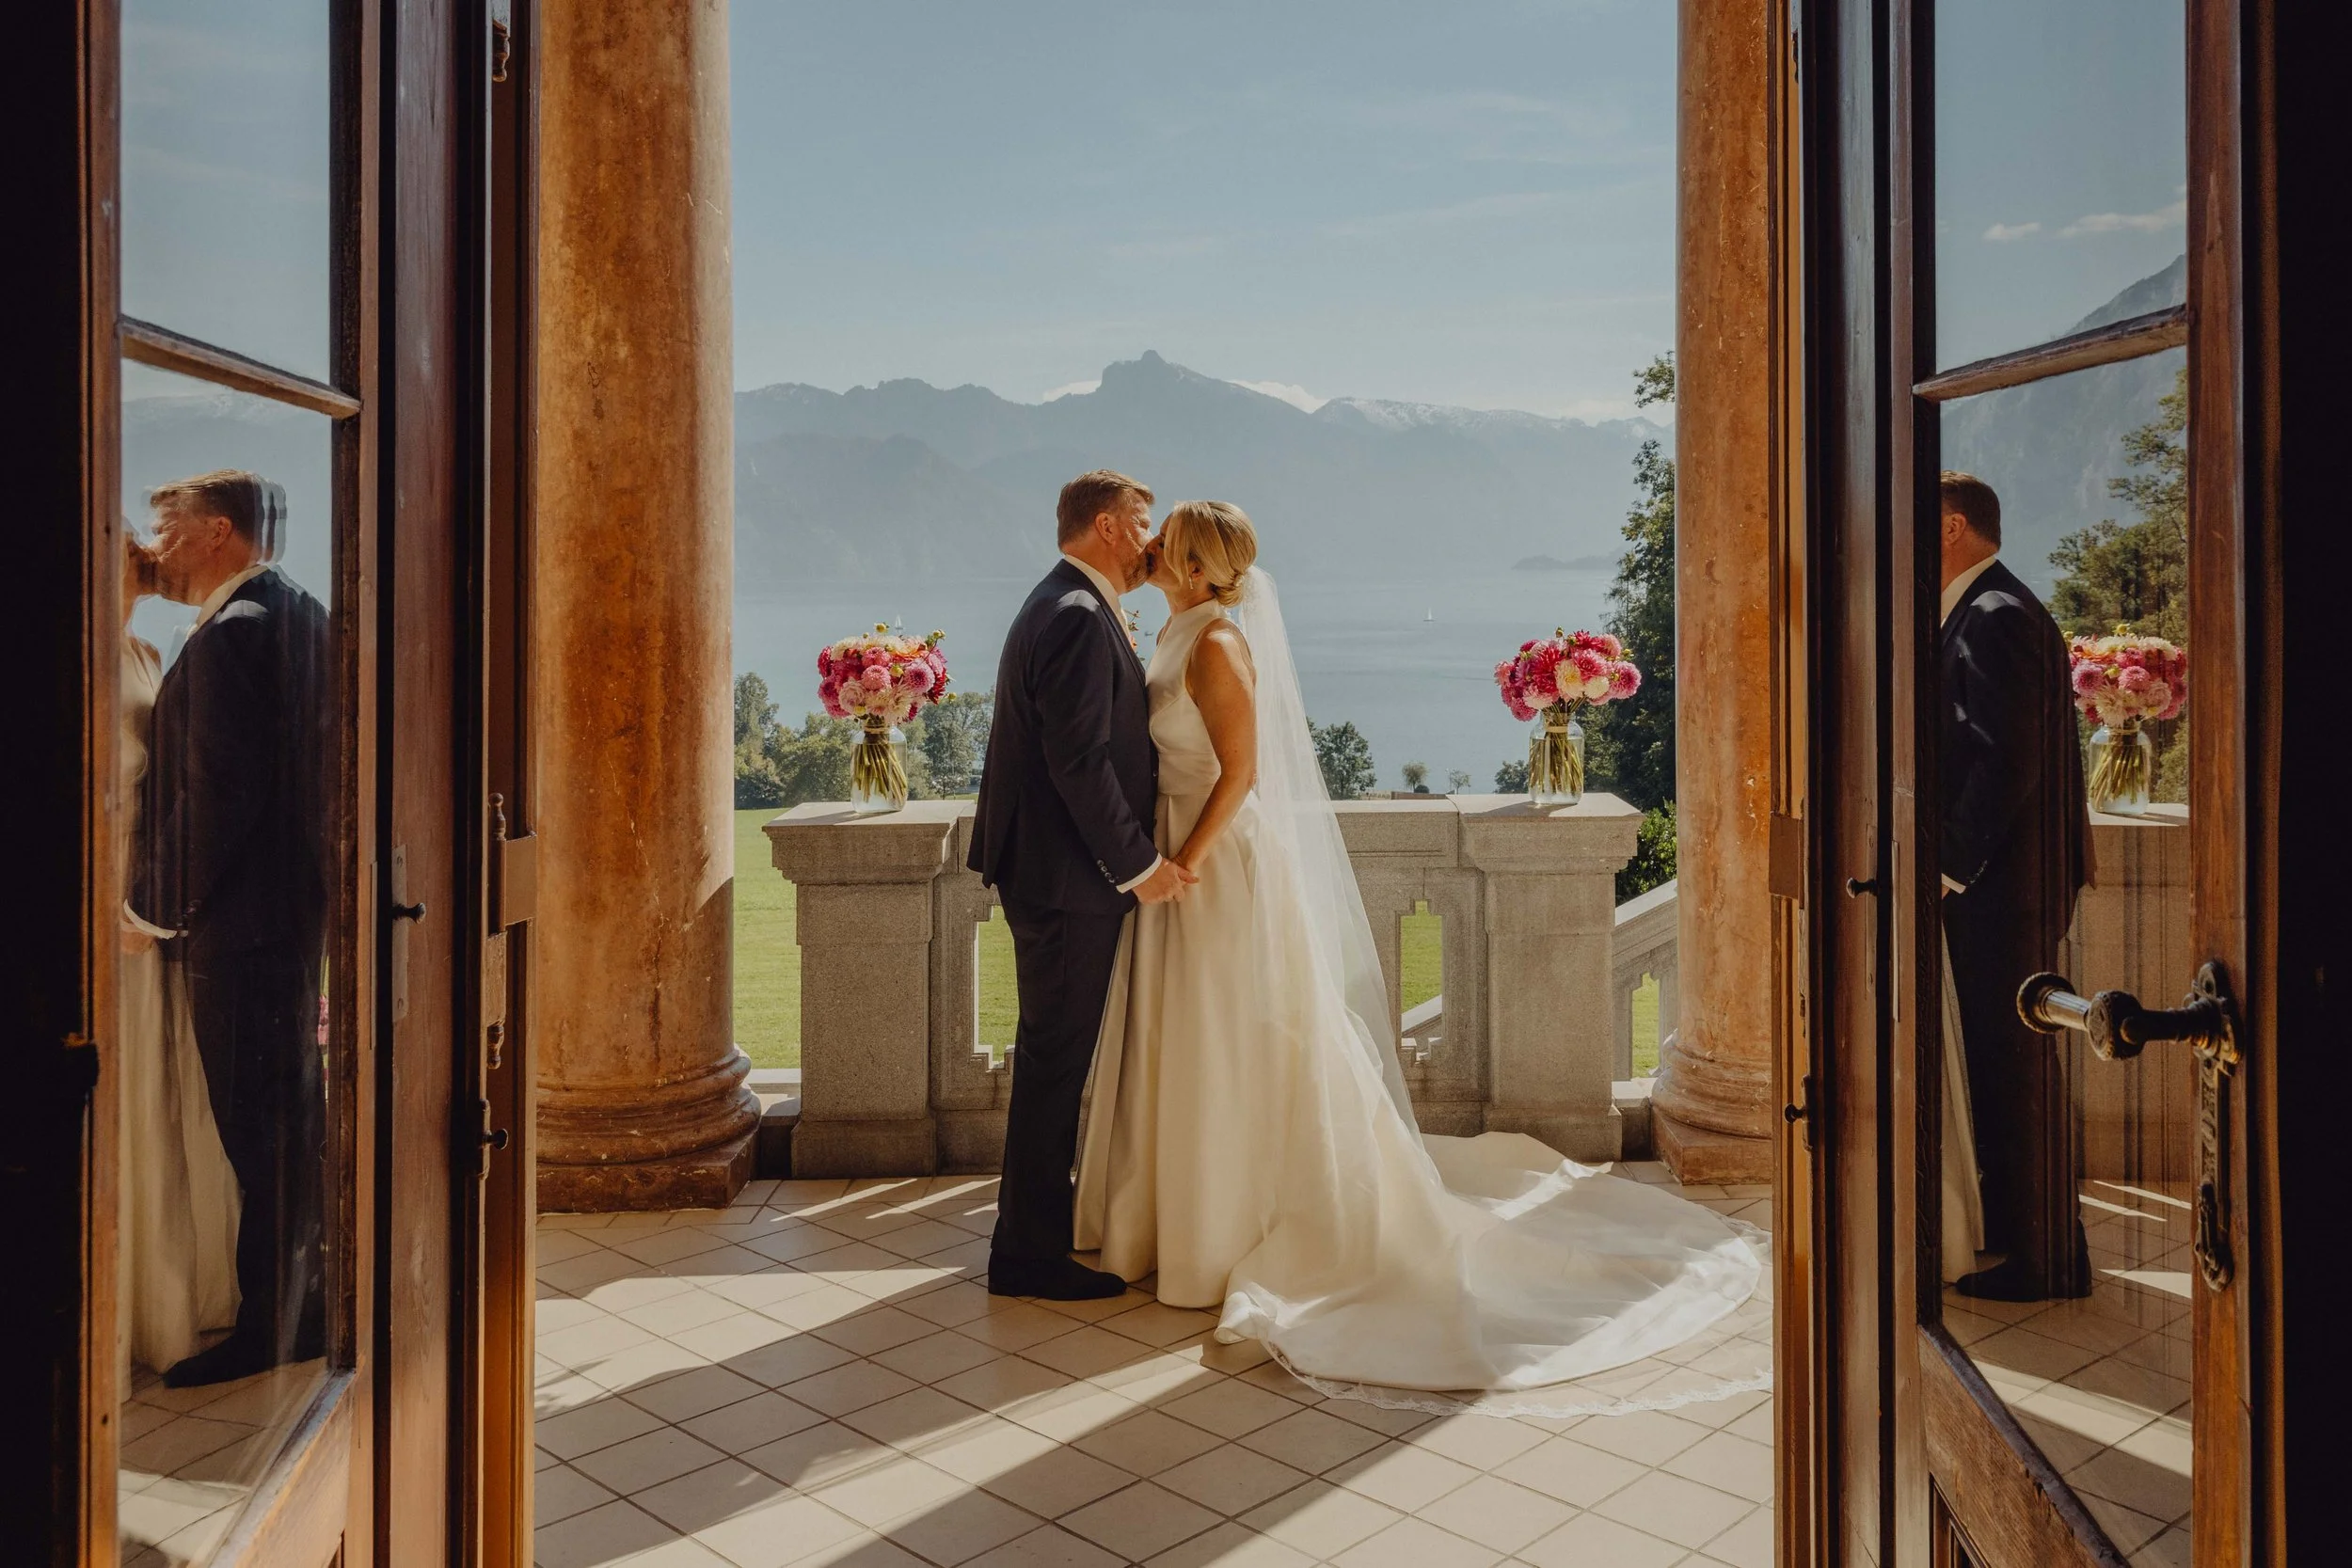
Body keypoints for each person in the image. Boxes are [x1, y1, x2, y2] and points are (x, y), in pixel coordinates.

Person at [1071, 499, 1759, 1399]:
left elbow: (1243, 773)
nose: (1152, 547)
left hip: (1215, 865)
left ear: (1199, 568)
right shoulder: (1173, 630)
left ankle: (1230, 1227)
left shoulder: (1216, 647)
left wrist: (1184, 863)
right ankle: (1169, 1222)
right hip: (1174, 855)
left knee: (1227, 1036)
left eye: (1169, 544)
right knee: (1187, 1039)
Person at [967, 470, 1197, 1301]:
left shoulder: (1071, 604)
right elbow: (1078, 760)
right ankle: (1026, 1254)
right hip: (1067, 881)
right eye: (1143, 522)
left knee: (1054, 1058)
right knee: (1054, 1063)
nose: (1153, 540)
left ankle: (1035, 1234)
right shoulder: (1072, 616)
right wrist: (1138, 864)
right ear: (1107, 525)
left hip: (1060, 875)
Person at [130, 470, 334, 1385]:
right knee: (287, 1120)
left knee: (260, 1132)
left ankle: (277, 1325)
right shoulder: (298, 611)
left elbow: (219, 795)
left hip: (242, 930)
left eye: (165, 526)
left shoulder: (230, 639)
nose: (155, 544)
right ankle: (309, 1301)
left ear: (216, 533)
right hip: (286, 921)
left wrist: (149, 909)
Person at [1936, 470, 2092, 1302]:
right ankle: (2021, 1234)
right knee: (2005, 1064)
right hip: (2005, 884)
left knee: (2018, 1066)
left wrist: (1950, 865)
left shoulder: (1995, 615)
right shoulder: (1991, 608)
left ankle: (2051, 1259)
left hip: (2008, 888)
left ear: (1953, 527)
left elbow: (2009, 758)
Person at [118, 529, 242, 1375]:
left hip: (153, 906)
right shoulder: (67, 653)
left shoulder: (146, 647)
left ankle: (187, 1285)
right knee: (126, 1093)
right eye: (135, 546)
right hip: (109, 911)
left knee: (168, 1085)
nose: (152, 552)